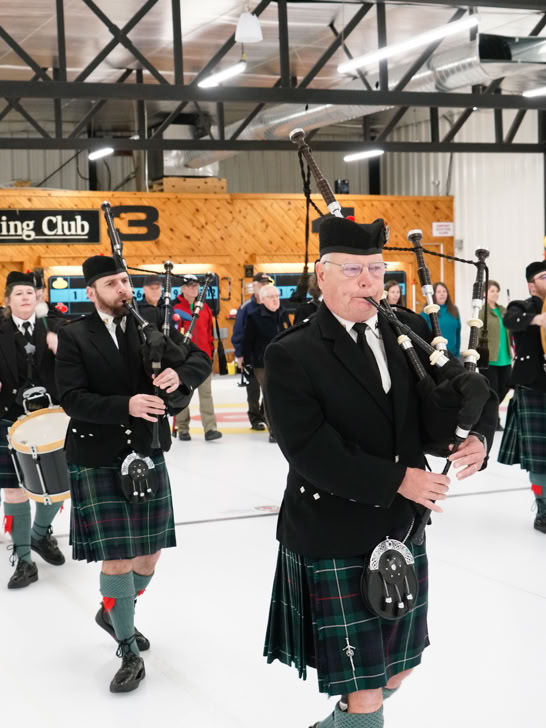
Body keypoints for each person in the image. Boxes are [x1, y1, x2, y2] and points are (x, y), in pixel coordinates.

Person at [262, 216, 496, 728]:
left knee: (400, 667)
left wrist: (478, 432)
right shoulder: (291, 354)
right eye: (353, 269)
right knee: (366, 689)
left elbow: (456, 398)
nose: (369, 280)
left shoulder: (406, 332)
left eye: (375, 268)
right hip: (334, 531)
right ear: (322, 276)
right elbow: (307, 450)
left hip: (402, 528)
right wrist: (399, 479)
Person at [55, 255, 211, 693]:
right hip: (98, 454)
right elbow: (71, 398)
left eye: (125, 281)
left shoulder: (150, 326)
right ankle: (127, 644)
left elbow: (200, 358)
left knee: (149, 556)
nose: (123, 289)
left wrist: (179, 375)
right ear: (92, 292)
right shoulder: (74, 337)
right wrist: (126, 404)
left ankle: (112, 609)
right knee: (119, 558)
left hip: (146, 451)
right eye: (112, 283)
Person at [0, 271, 66, 588]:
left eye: (30, 292)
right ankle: (24, 560)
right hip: (8, 418)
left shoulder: (55, 326)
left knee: (57, 485)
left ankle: (39, 535)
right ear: (8, 301)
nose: (26, 297)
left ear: (37, 297)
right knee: (13, 489)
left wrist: (61, 345)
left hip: (51, 418)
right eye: (19, 293)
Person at [498, 260, 546, 533]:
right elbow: (509, 320)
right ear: (532, 284)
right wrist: (536, 319)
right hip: (533, 388)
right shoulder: (522, 306)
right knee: (541, 458)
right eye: (543, 276)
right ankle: (543, 508)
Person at [173, 275, 221, 442]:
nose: (194, 289)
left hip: (203, 359)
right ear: (183, 289)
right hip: (183, 360)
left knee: (206, 394)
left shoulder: (205, 308)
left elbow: (208, 333)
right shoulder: (175, 308)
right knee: (182, 394)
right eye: (190, 286)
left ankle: (210, 428)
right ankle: (183, 428)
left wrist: (211, 353)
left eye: (196, 286)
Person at [242, 284, 291, 442]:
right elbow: (247, 341)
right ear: (262, 300)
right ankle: (274, 430)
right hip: (261, 363)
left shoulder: (283, 313)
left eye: (277, 296)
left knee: (280, 394)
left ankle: (276, 422)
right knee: (270, 394)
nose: (276, 300)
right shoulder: (253, 316)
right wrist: (247, 363)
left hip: (282, 362)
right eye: (271, 297)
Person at [231, 272, 273, 431]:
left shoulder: (274, 305)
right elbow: (238, 333)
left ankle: (265, 414)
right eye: (261, 284)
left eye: (266, 283)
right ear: (254, 286)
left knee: (269, 388)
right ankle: (255, 418)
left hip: (270, 356)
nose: (264, 287)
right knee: (253, 389)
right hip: (251, 356)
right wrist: (240, 355)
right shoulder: (246, 308)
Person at [479, 280, 512, 431]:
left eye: (497, 291)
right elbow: (478, 333)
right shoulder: (482, 311)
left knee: (504, 387)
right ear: (485, 293)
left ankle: (486, 414)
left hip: (505, 357)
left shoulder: (503, 310)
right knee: (492, 391)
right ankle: (493, 420)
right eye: (492, 291)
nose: (496, 293)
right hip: (490, 358)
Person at [420, 281, 461, 356]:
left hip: (453, 354)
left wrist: (457, 353)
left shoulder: (454, 310)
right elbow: (421, 335)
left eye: (444, 291)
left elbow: (458, 333)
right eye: (438, 292)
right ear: (433, 294)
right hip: (435, 355)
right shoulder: (427, 311)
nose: (442, 294)